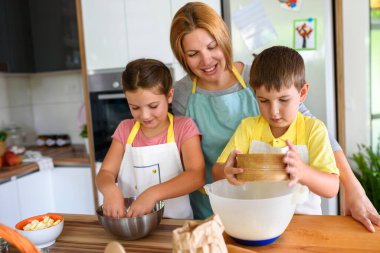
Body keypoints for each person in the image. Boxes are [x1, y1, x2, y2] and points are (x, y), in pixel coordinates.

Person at [170, 1, 380, 231]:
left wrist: (353, 188)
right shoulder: (182, 93)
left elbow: (317, 132)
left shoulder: (258, 75)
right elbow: (194, 162)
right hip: (216, 208)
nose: (207, 60)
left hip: (280, 217)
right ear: (182, 56)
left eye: (212, 47)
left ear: (224, 39)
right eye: (193, 54)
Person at [213, 46, 339, 214]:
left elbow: (331, 188)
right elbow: (216, 171)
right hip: (260, 221)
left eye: (283, 100)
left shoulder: (313, 129)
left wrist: (304, 172)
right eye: (263, 100)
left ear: (302, 93)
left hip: (306, 225)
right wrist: (227, 171)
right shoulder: (249, 128)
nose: (274, 111)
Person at [96, 58, 205, 219]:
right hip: (133, 224)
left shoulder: (183, 128)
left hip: (175, 225)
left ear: (169, 95)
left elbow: (196, 175)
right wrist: (109, 189)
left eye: (153, 106)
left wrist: (152, 194)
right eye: (135, 107)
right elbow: (105, 172)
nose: (145, 115)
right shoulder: (125, 129)